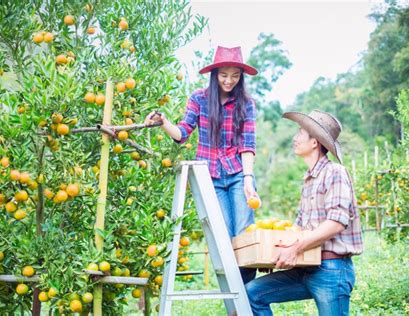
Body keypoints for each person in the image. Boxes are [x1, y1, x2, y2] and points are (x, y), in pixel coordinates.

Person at [145, 46, 260, 283]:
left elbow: (248, 144)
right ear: (215, 73)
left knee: (244, 235)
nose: (229, 81)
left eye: (235, 76)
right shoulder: (199, 98)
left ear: (241, 77)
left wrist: (248, 179)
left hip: (238, 174)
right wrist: (163, 122)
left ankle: (249, 298)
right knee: (224, 239)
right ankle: (235, 303)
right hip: (210, 177)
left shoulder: (246, 103)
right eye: (224, 75)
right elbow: (182, 133)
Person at [245, 110, 363, 315]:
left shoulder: (334, 172)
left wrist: (296, 249)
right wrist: (274, 255)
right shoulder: (308, 180)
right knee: (253, 292)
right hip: (306, 266)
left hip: (332, 269)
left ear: (315, 142)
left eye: (300, 133)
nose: (295, 138)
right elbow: (299, 229)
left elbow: (336, 222)